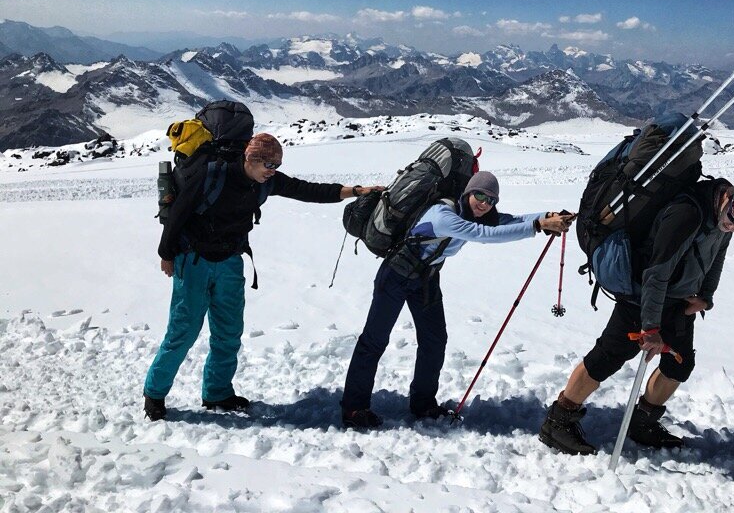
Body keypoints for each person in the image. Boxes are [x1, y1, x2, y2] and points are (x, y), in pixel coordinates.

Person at [143, 133, 382, 421]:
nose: (273, 170)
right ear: (250, 158)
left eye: (277, 164)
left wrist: (355, 191)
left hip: (231, 261)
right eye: (268, 163)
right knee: (183, 331)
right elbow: (179, 213)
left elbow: (308, 190)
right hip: (194, 260)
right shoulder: (213, 175)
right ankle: (154, 395)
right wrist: (166, 254)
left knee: (228, 333)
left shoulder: (266, 182)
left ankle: (217, 392)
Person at [539, 175, 734, 455]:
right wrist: (650, 328)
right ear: (729, 196)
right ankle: (558, 421)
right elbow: (656, 272)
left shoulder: (724, 215)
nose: (733, 227)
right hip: (642, 296)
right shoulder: (688, 214)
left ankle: (642, 422)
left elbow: (718, 252)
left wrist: (705, 296)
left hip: (679, 299)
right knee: (608, 357)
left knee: (679, 364)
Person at [340, 170, 574, 429]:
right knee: (374, 340)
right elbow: (483, 234)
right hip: (396, 275)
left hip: (426, 278)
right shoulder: (444, 215)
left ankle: (423, 403)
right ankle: (354, 408)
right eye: (480, 195)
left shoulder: (473, 214)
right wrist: (537, 226)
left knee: (434, 340)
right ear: (468, 192)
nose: (484, 204)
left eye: (491, 200)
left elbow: (507, 221)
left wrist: (545, 217)